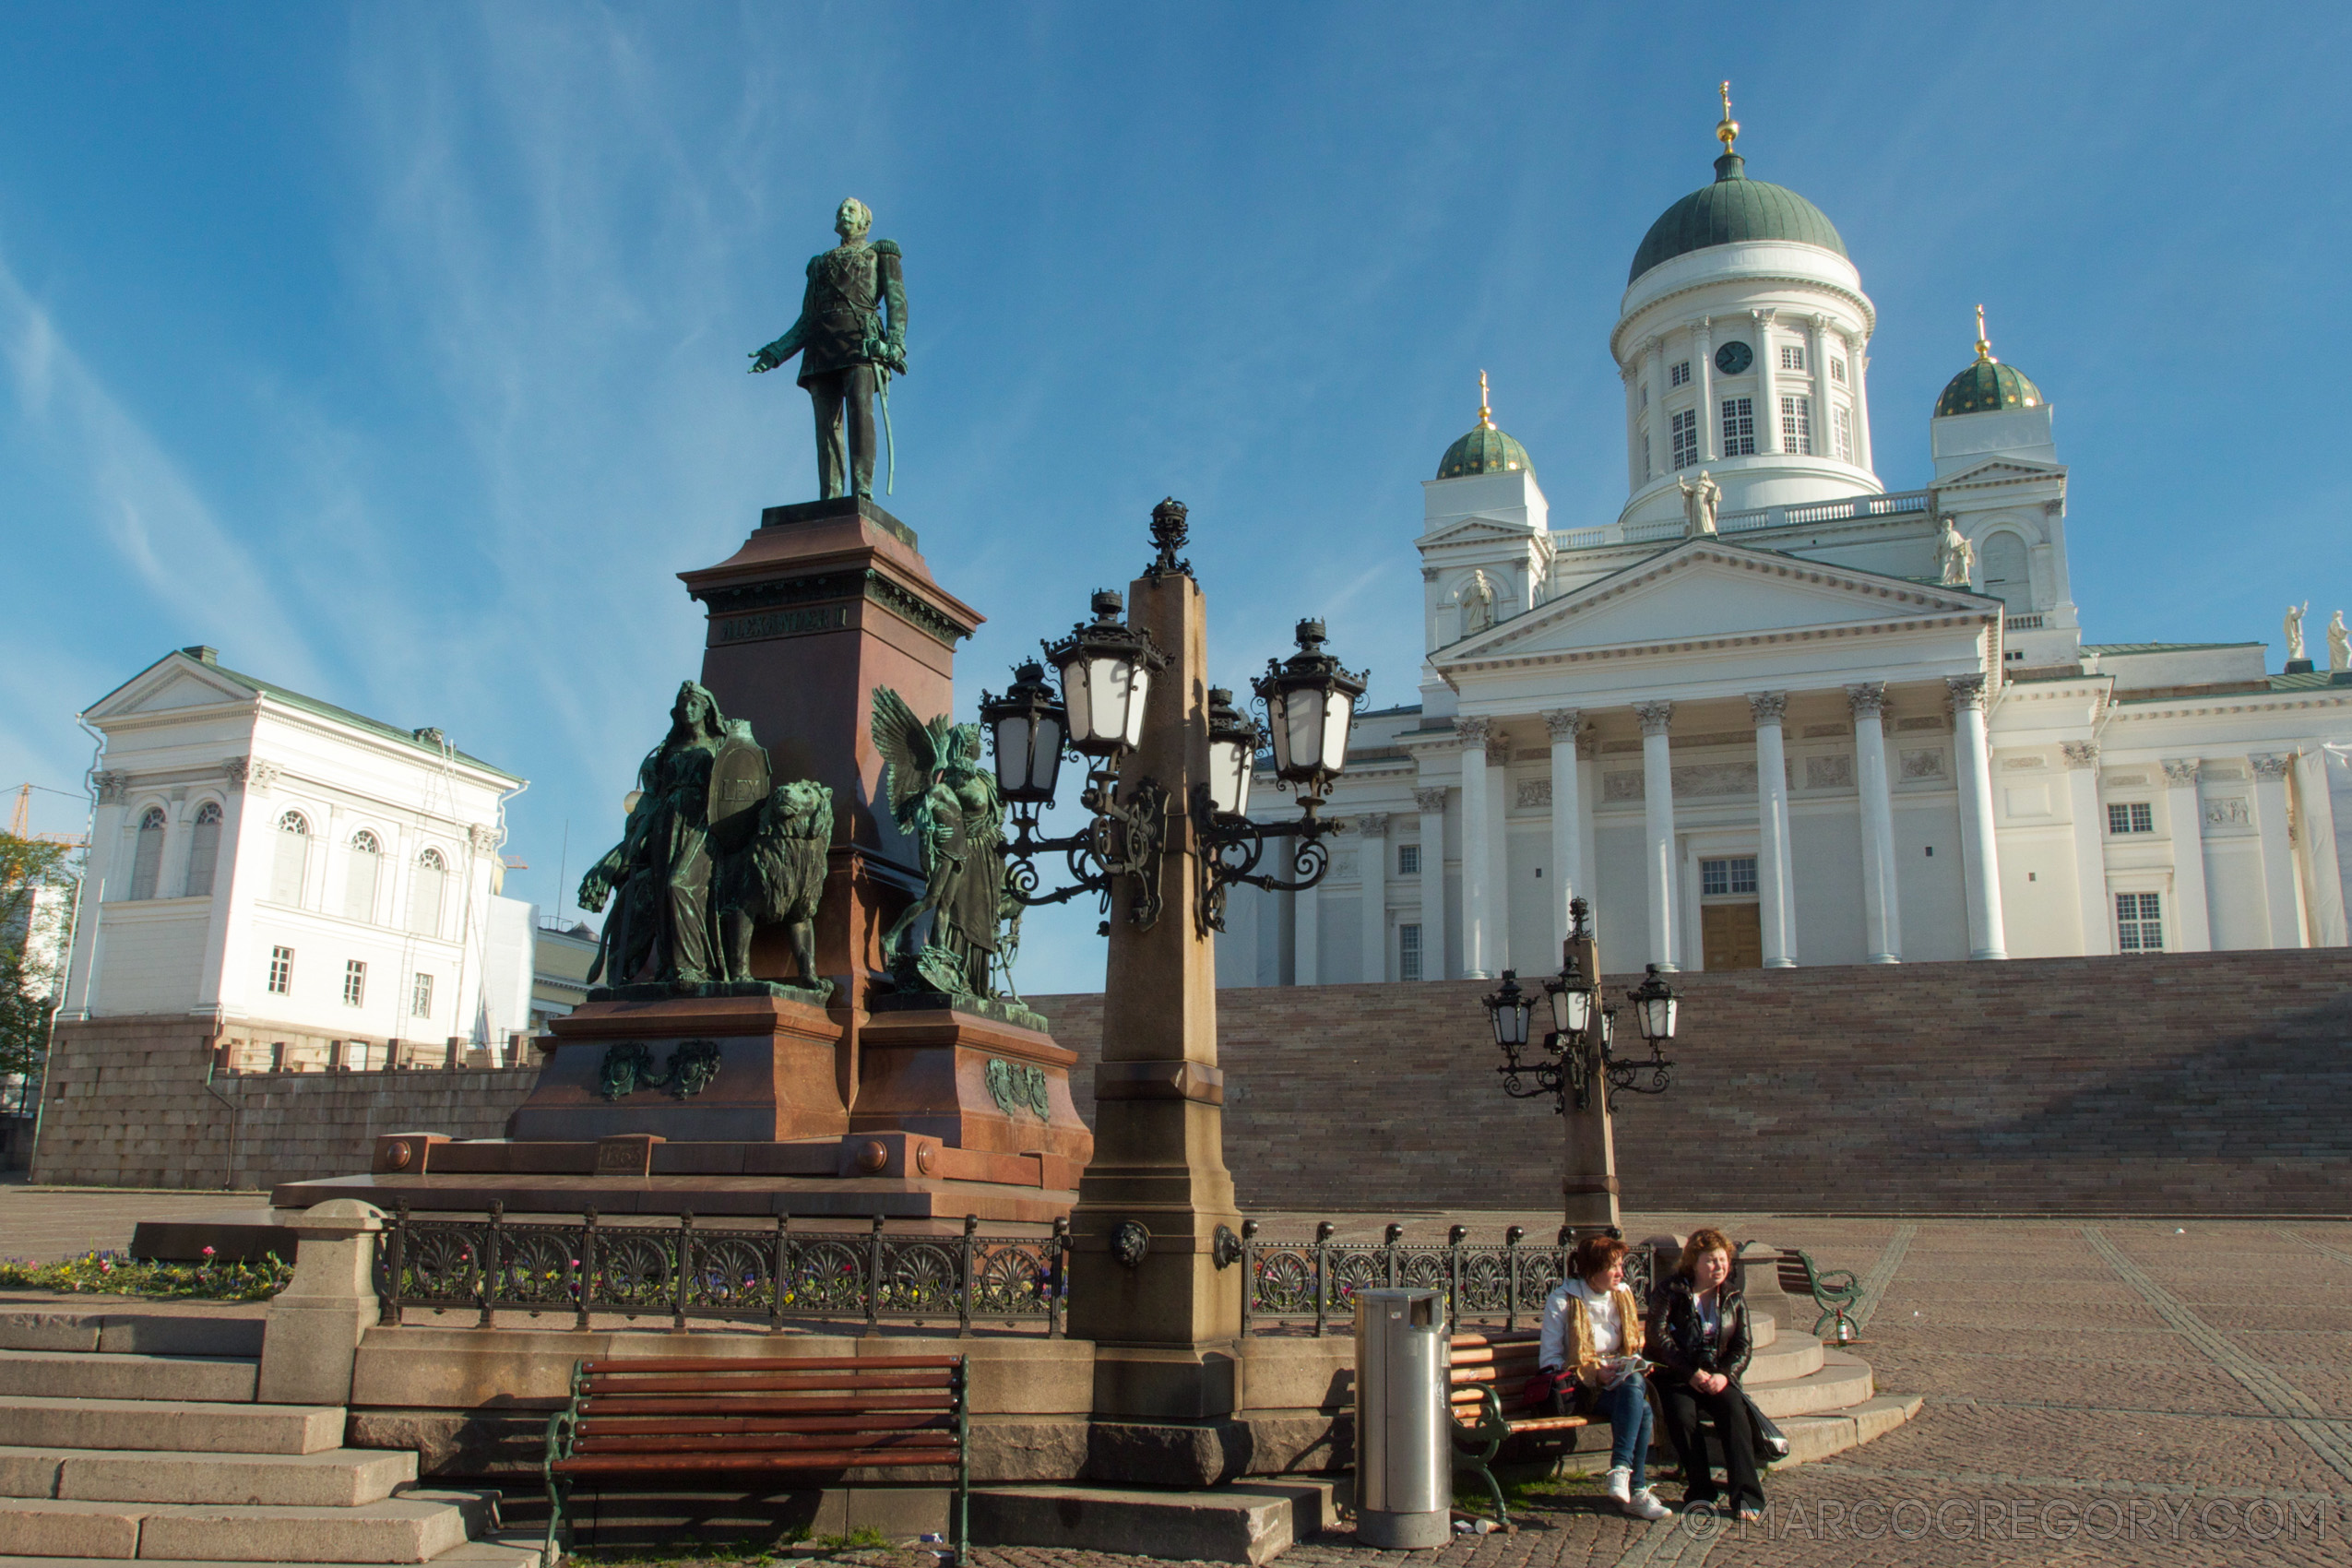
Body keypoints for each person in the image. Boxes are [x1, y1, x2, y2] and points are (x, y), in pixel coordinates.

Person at [1538, 1235, 1669, 1520]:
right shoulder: (1564, 1299)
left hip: (1619, 1385)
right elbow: (1549, 1361)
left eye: (1621, 1265)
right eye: (1613, 1267)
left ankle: (1624, 1477)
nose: (1621, 1273)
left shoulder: (1622, 1295)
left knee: (1635, 1385)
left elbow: (1631, 1346)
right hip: (1582, 1389)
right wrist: (1594, 1373)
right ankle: (1635, 1486)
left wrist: (1632, 1364)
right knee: (1642, 1407)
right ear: (1591, 1269)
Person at [1645, 1227, 1764, 1518]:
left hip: (1718, 1377)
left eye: (1722, 1260)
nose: (1719, 1267)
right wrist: (1690, 1373)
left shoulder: (1733, 1296)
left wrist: (1725, 1375)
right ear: (1694, 1263)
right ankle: (1700, 1491)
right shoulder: (1670, 1291)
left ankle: (1746, 1496)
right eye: (1711, 1261)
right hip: (1678, 1376)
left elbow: (1742, 1345)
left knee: (1735, 1413)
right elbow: (1658, 1339)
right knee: (1683, 1416)